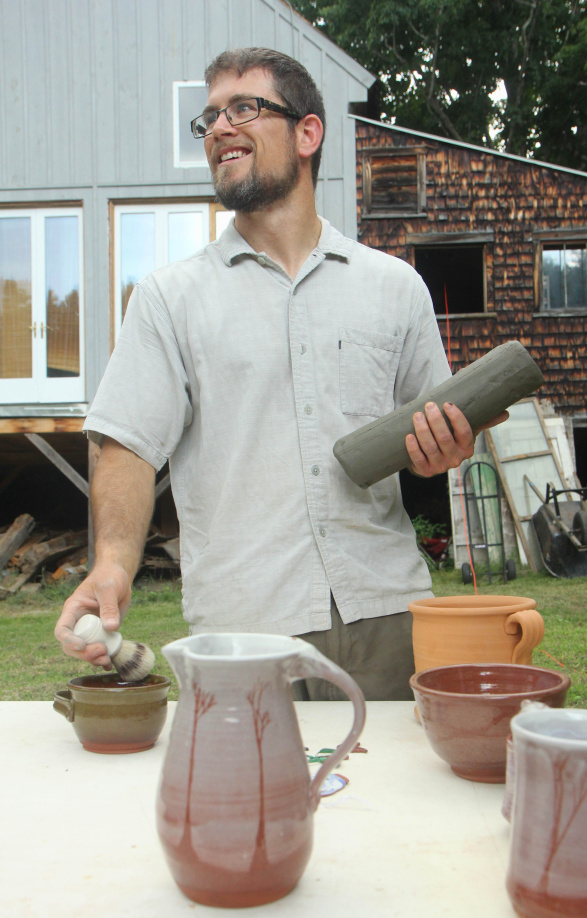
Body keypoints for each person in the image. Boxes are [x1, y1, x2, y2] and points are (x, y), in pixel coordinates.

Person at [55, 47, 507, 698]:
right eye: (208, 117)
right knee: (247, 798)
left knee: (390, 798)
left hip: (383, 616)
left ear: (307, 132)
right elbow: (126, 442)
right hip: (243, 627)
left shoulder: (394, 288)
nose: (218, 128)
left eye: (243, 108)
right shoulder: (170, 298)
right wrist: (113, 564)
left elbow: (428, 438)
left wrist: (442, 451)